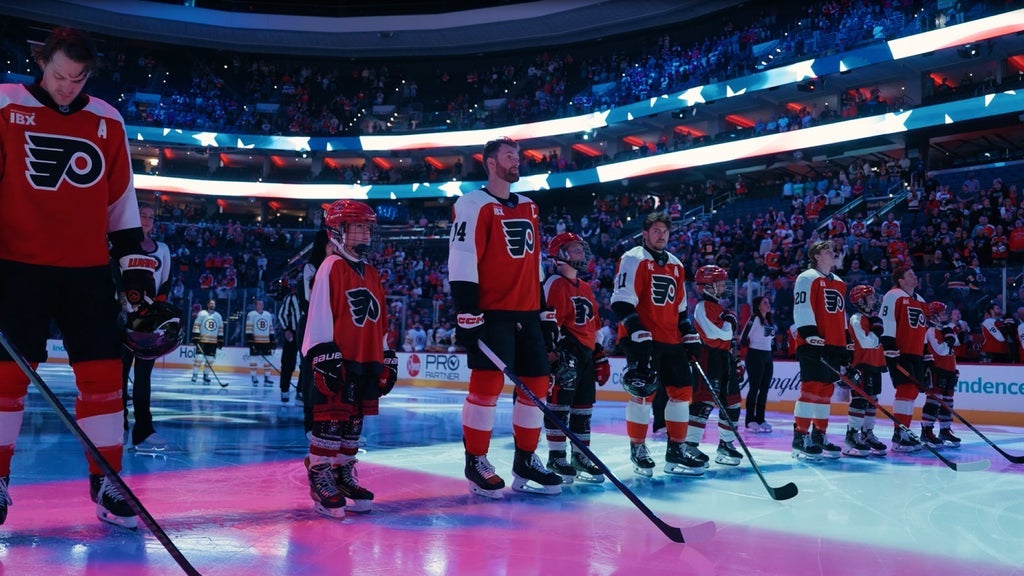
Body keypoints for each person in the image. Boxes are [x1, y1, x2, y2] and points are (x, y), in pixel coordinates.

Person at [0, 26, 156, 528]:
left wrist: (136, 280)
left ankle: (107, 481)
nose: (67, 86)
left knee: (105, 379)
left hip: (87, 271)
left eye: (78, 77)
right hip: (15, 266)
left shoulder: (107, 120)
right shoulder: (4, 105)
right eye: (60, 75)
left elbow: (121, 205)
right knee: (4, 379)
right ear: (42, 62)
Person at [448, 136, 562, 498]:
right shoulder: (472, 204)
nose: (517, 161)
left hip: (527, 311)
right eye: (510, 156)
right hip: (491, 312)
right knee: (486, 388)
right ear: (491, 164)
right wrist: (466, 310)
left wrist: (544, 312)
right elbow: (463, 257)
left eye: (518, 156)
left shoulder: (529, 206)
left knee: (537, 387)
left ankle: (525, 460)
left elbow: (536, 263)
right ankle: (476, 461)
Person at [301, 199, 397, 518]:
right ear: (337, 231)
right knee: (330, 419)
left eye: (368, 228)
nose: (365, 234)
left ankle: (343, 473)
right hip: (338, 358)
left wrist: (385, 354)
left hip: (364, 358)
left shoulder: (370, 272)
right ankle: (320, 473)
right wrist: (322, 353)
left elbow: (380, 317)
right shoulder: (331, 266)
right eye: (358, 227)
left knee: (353, 422)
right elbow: (320, 310)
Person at [610, 212, 704, 477]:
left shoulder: (676, 264)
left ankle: (676, 449)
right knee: (643, 394)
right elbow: (621, 300)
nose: (661, 235)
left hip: (671, 339)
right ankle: (638, 448)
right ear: (645, 233)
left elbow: (682, 310)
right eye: (656, 230)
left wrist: (688, 333)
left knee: (682, 394)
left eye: (665, 231)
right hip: (641, 339)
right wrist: (636, 330)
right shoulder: (633, 258)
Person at [542, 233, 610, 484]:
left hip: (585, 355)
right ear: (560, 254)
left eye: (582, 248)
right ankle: (556, 456)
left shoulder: (585, 286)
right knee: (560, 406)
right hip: (566, 351)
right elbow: (548, 322)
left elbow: (595, 324)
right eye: (575, 249)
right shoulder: (554, 283)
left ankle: (580, 456)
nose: (582, 253)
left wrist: (599, 355)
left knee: (583, 409)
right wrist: (553, 354)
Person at [121, 203, 173, 452]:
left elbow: (165, 285)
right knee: (119, 375)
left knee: (143, 377)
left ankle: (143, 430)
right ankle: (118, 425)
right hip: (122, 319)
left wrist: (152, 313)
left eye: (151, 216)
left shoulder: (163, 249)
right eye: (143, 214)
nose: (147, 219)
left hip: (148, 324)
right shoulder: (122, 245)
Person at [791, 240, 848, 460]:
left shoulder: (840, 282)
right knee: (811, 389)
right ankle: (800, 436)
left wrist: (846, 344)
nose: (833, 254)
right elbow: (802, 306)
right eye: (828, 251)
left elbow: (841, 314)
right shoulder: (807, 277)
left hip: (833, 344)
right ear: (816, 256)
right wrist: (810, 334)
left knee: (826, 392)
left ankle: (819, 435)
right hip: (813, 344)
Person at [687, 265, 744, 467]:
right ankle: (690, 445)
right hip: (708, 358)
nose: (723, 285)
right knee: (703, 403)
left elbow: (728, 338)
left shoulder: (720, 308)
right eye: (719, 282)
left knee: (733, 403)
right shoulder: (703, 307)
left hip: (724, 358)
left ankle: (726, 444)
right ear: (707, 286)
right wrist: (729, 324)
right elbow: (717, 335)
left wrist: (734, 358)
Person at [880, 266, 928, 453]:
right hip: (900, 351)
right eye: (911, 274)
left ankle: (905, 432)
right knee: (905, 389)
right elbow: (888, 320)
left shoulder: (921, 300)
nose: (915, 276)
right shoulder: (894, 295)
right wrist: (890, 347)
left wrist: (926, 352)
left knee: (912, 392)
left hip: (916, 353)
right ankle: (899, 435)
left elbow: (922, 329)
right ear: (900, 280)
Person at [843, 285, 888, 456]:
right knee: (860, 400)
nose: (874, 300)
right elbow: (867, 342)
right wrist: (877, 330)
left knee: (872, 400)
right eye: (870, 297)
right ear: (860, 301)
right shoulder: (857, 318)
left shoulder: (871, 318)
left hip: (875, 363)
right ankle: (852, 436)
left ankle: (867, 433)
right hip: (862, 364)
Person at [921, 302, 962, 447]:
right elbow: (941, 350)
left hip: (950, 370)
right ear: (934, 316)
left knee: (948, 402)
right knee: (934, 401)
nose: (945, 315)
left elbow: (956, 343)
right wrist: (948, 338)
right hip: (937, 370)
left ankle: (944, 430)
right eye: (942, 313)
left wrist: (949, 333)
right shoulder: (931, 331)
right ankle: (927, 430)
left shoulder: (945, 329)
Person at [740, 295, 776, 433]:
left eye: (768, 302)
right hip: (755, 355)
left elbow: (770, 339)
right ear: (758, 306)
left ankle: (761, 419)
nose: (768, 304)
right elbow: (744, 337)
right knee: (755, 388)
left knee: (765, 388)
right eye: (765, 303)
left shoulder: (769, 320)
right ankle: (750, 420)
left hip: (767, 356)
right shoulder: (754, 319)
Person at [277, 284, 303, 403]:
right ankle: (284, 390)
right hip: (292, 332)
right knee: (288, 363)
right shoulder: (290, 297)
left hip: (306, 333)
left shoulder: (312, 296)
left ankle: (301, 390)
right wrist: (286, 329)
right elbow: (282, 314)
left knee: (306, 365)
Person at [191, 299, 224, 383]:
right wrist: (195, 336)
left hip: (213, 342)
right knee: (199, 358)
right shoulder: (202, 313)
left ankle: (206, 375)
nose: (212, 305)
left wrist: (220, 340)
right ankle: (195, 375)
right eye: (210, 303)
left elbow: (220, 328)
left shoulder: (218, 316)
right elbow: (196, 324)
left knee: (210, 360)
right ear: (207, 305)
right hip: (202, 340)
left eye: (213, 304)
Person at [245, 299, 276, 386]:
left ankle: (267, 377)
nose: (261, 305)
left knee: (268, 360)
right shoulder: (251, 314)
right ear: (255, 305)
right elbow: (248, 328)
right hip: (256, 341)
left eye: (262, 304)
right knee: (254, 360)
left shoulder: (267, 314)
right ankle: (254, 376)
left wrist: (272, 339)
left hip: (266, 341)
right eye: (259, 304)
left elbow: (270, 327)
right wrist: (250, 341)